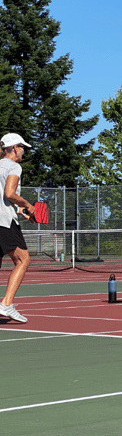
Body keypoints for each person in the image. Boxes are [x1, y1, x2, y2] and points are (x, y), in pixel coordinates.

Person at [0, 133, 36, 323]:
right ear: (15, 148)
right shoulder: (14, 166)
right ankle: (6, 304)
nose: (24, 151)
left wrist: (19, 209)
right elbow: (9, 193)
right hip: (4, 222)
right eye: (23, 147)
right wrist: (28, 205)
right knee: (23, 260)